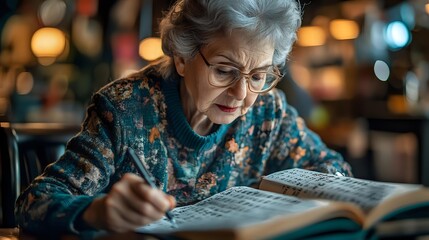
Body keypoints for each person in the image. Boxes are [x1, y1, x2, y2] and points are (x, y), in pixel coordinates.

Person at [15, 0, 353, 237]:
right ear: (182, 56)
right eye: (224, 70)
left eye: (259, 75)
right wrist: (98, 212)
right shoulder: (123, 109)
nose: (241, 94)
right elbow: (35, 202)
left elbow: (332, 172)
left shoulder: (268, 112)